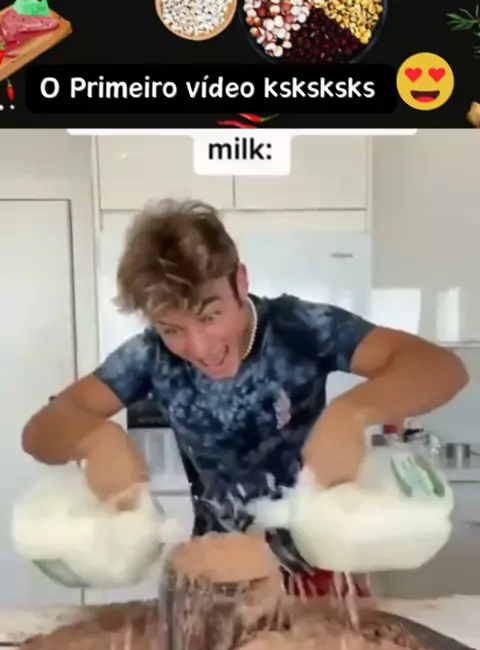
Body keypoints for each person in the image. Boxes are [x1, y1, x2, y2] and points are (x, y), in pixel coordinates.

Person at [22, 200, 468, 598]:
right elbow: (40, 432)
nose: (200, 347)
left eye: (210, 315)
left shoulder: (300, 327)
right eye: (172, 329)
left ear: (240, 280)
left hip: (322, 570)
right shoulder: (149, 356)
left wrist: (353, 413)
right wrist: (95, 440)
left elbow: (441, 368)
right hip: (217, 576)